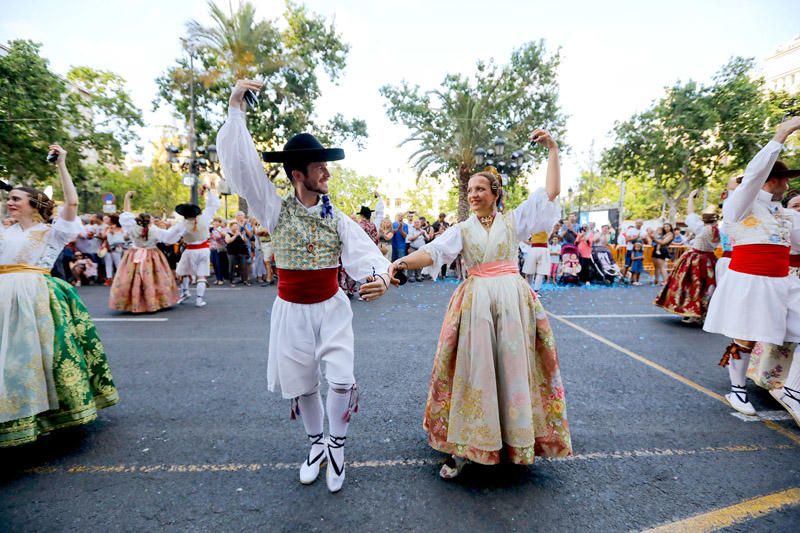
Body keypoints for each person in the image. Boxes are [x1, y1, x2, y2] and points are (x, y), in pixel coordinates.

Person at [217, 79, 391, 493]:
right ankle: (315, 444)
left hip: (331, 307)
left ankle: (337, 446)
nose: (326, 172)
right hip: (291, 310)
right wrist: (234, 106)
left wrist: (381, 277)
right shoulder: (274, 208)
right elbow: (243, 168)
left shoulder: (339, 217)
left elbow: (366, 254)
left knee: (343, 379)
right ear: (299, 174)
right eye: (319, 167)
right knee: (303, 383)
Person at [388, 128, 571, 479]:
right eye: (470, 189)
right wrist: (398, 263)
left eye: (479, 189)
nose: (473, 194)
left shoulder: (513, 221)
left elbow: (550, 192)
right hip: (476, 305)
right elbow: (434, 252)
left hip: (513, 305)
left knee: (512, 370)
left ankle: (512, 442)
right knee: (476, 372)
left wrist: (553, 149)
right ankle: (466, 446)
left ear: (494, 194)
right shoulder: (462, 229)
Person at [0, 144, 117, 447]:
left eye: (15, 199)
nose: (9, 202)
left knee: (38, 358)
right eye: (8, 198)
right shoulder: (6, 232)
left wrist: (62, 164)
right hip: (4, 298)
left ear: (34, 204)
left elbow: (73, 202)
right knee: (8, 360)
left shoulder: (53, 231)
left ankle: (50, 415)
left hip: (36, 297)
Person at [703, 117, 800, 422]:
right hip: (751, 280)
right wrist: (781, 135)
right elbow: (754, 175)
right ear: (772, 180)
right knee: (746, 336)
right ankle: (737, 389)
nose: (788, 184)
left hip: (783, 281)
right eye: (784, 179)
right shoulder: (739, 204)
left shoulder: (785, 213)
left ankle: (793, 391)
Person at [109, 191, 183, 313]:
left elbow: (126, 213)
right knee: (154, 278)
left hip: (134, 254)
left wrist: (127, 197)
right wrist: (182, 225)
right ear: (150, 221)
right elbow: (170, 237)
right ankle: (154, 301)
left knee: (132, 278)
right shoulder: (155, 230)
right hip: (152, 255)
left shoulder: (132, 227)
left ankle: (133, 302)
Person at [654, 190, 719, 324]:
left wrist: (690, 197)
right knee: (707, 286)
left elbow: (690, 213)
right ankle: (703, 313)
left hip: (695, 259)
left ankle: (692, 312)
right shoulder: (720, 231)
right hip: (710, 260)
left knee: (690, 284)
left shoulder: (700, 228)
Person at [173, 186, 221, 307]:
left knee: (184, 272)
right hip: (204, 250)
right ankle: (199, 299)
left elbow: (171, 237)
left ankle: (185, 292)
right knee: (201, 275)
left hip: (190, 251)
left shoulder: (182, 225)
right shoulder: (204, 218)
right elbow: (213, 205)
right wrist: (209, 191)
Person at [101, 215, 127, 286]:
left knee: (118, 263)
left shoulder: (121, 228)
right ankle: (109, 278)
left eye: (108, 219)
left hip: (117, 247)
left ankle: (120, 279)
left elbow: (123, 238)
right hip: (108, 247)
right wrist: (106, 230)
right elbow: (103, 236)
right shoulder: (107, 228)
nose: (107, 220)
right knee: (108, 263)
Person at [225, 221, 251, 286]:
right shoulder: (228, 234)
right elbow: (228, 241)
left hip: (242, 252)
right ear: (231, 227)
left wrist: (243, 235)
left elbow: (244, 241)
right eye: (234, 226)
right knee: (232, 267)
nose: (236, 227)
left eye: (237, 226)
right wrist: (235, 235)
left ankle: (245, 280)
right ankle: (231, 281)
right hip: (232, 253)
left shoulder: (240, 233)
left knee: (243, 266)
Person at [405, 218, 427, 282]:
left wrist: (424, 235)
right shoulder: (412, 231)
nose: (417, 224)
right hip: (413, 249)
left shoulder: (423, 231)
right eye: (415, 222)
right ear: (414, 224)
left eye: (418, 222)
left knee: (420, 263)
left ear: (421, 224)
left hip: (421, 250)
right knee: (412, 262)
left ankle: (418, 275)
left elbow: (428, 238)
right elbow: (410, 239)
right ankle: (410, 276)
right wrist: (419, 234)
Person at [209, 217, 230, 285]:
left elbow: (218, 237)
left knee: (219, 264)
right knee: (214, 263)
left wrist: (215, 232)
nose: (215, 223)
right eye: (214, 221)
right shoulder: (211, 229)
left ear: (220, 223)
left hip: (219, 249)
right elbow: (208, 237)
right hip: (212, 248)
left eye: (217, 221)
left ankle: (221, 279)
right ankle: (217, 278)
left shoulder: (221, 229)